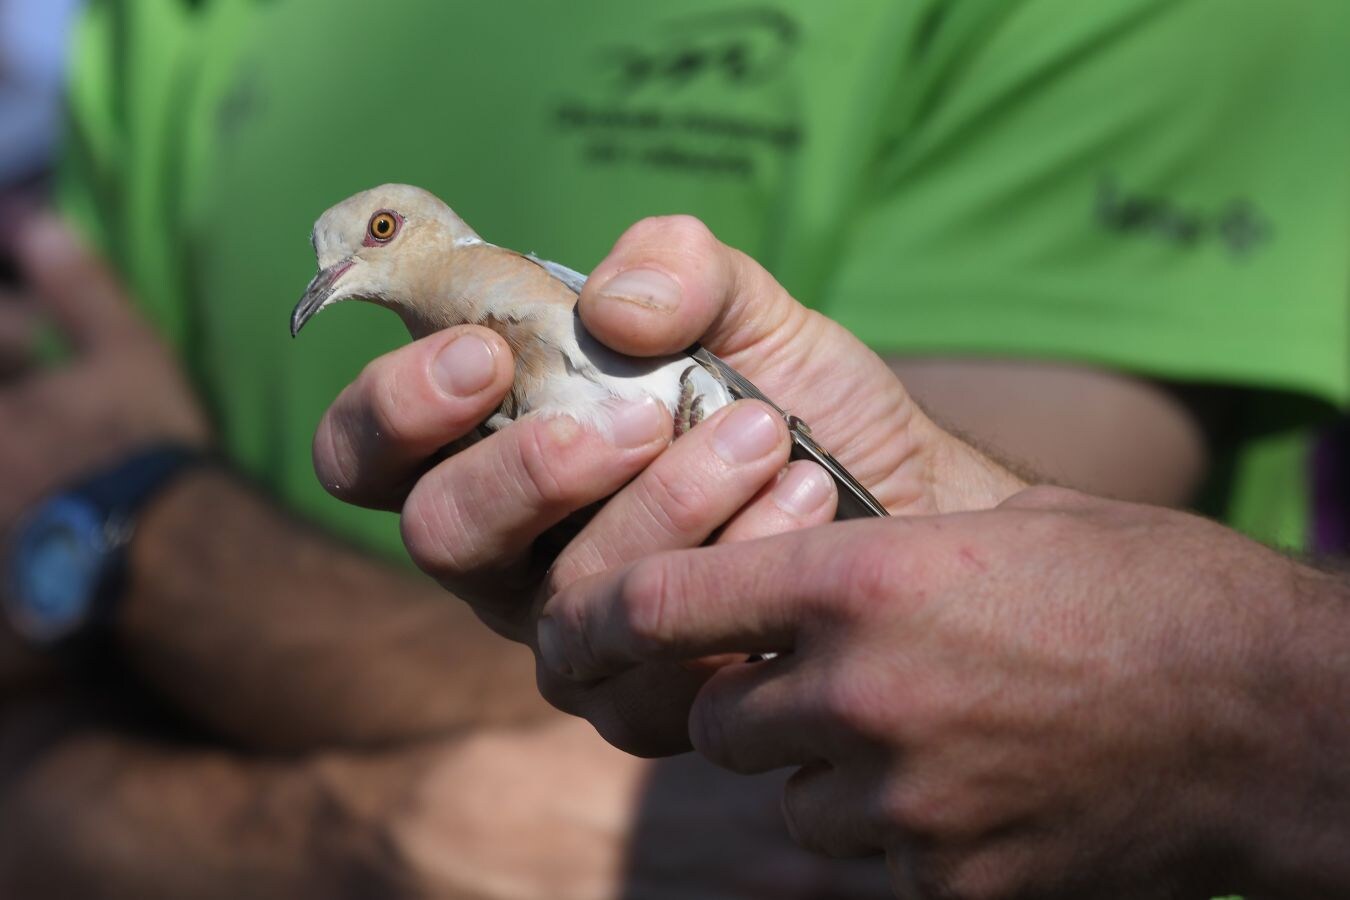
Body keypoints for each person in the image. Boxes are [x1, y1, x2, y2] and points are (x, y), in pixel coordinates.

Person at [3, 0, 1347, 895]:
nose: (350, 271)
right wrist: (372, 838)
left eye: (370, 245)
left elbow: (955, 718)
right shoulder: (181, 20)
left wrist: (144, 535)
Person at [311, 217, 1350, 898]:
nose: (348, 267)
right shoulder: (448, 356)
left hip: (712, 421)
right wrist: (927, 499)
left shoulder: (522, 273)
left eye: (376, 234)